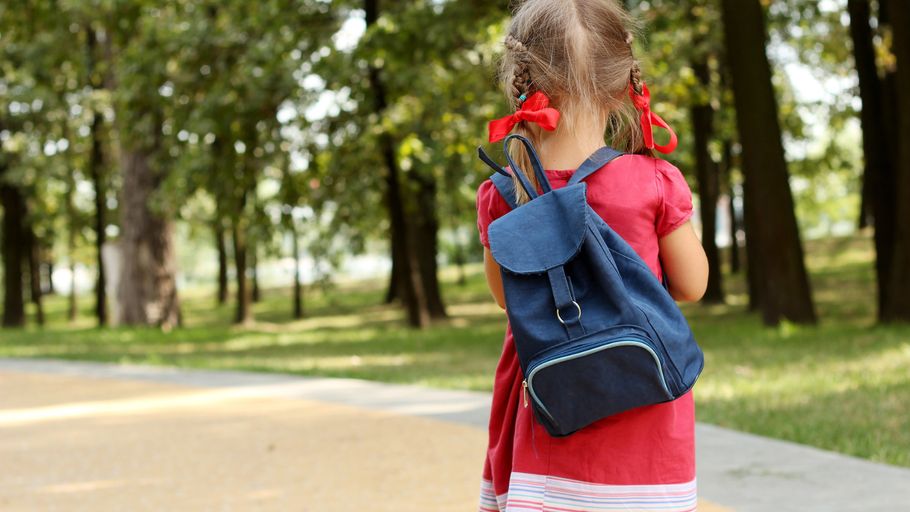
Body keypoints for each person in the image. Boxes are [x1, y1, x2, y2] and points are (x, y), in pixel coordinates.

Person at [475, 1, 710, 511]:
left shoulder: (503, 194)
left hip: (546, 415)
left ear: (522, 85)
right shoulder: (652, 181)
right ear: (624, 84)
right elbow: (692, 285)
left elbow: (503, 297)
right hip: (642, 418)